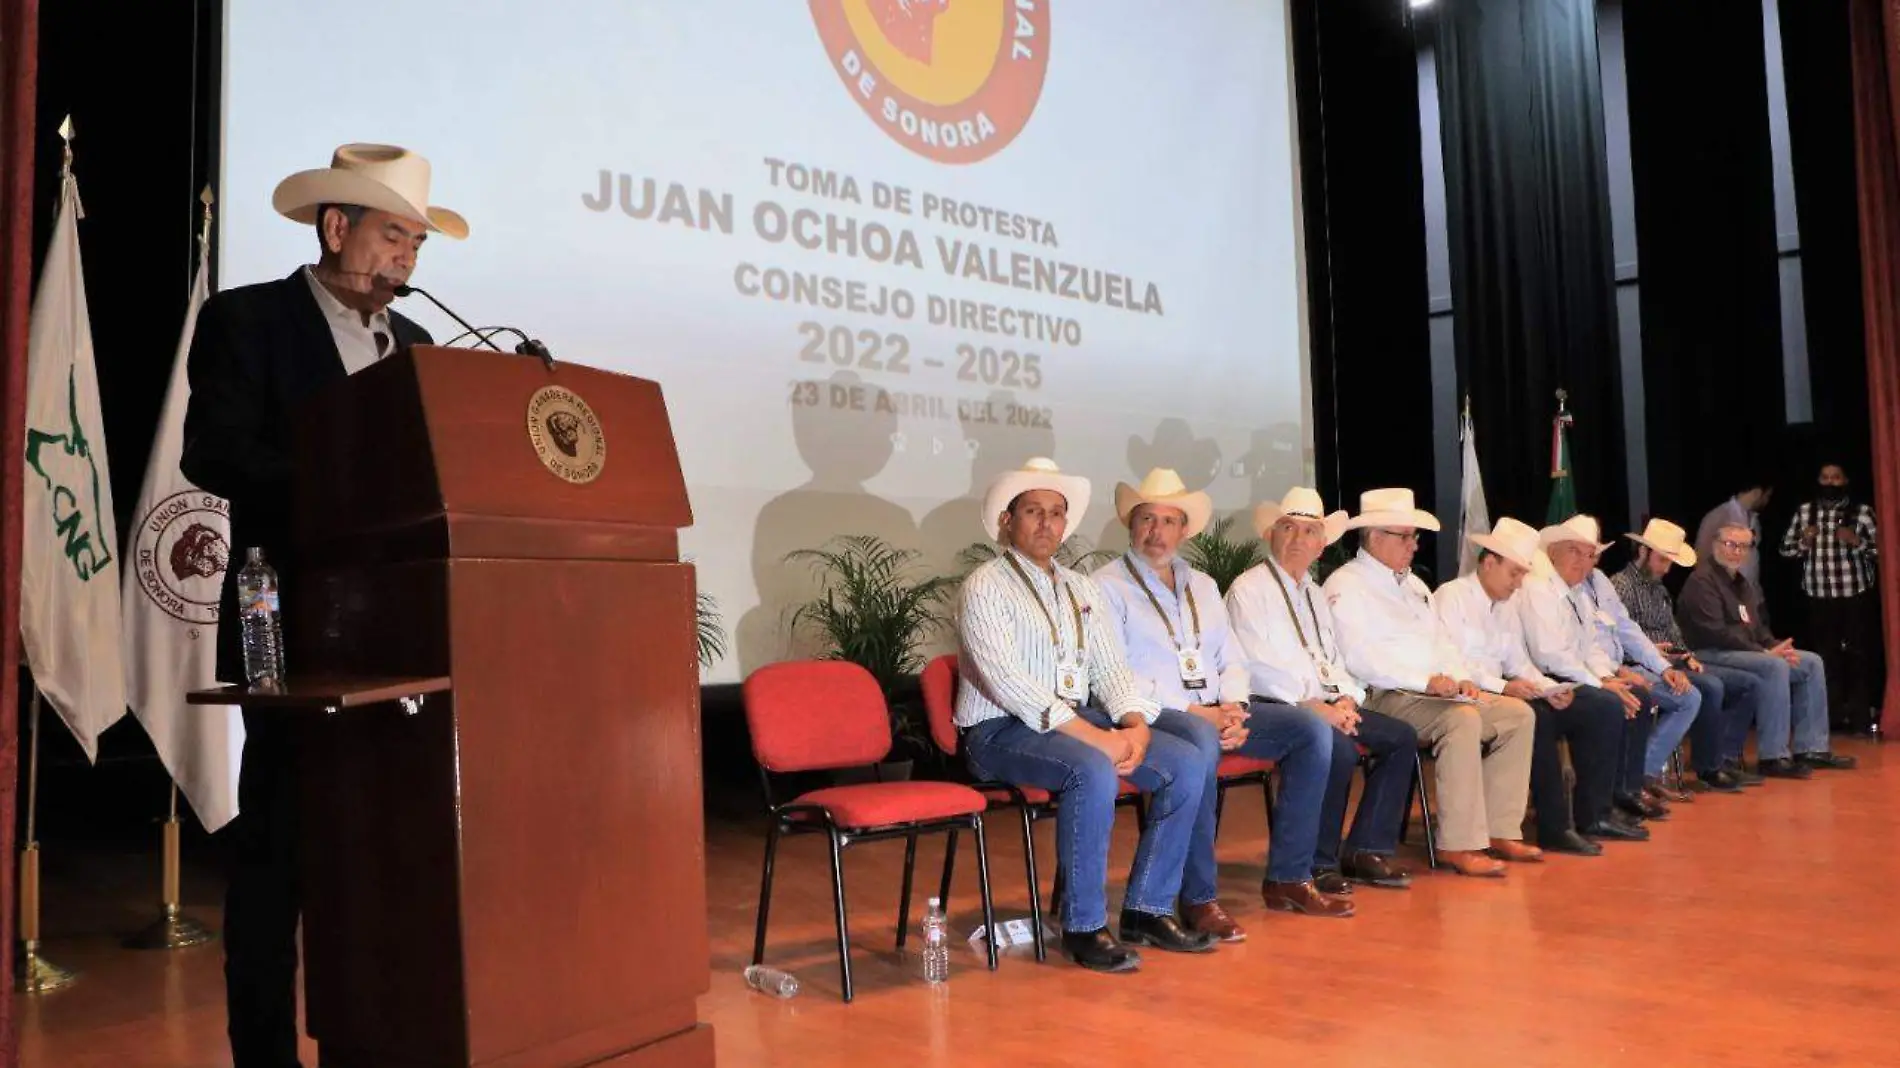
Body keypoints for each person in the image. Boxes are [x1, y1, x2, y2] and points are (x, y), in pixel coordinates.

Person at [181, 143, 463, 1068]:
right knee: (279, 847)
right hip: (276, 606)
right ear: (335, 227)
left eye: (417, 244)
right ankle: (263, 1056)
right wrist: (337, 486)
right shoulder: (248, 320)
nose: (406, 260)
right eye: (393, 236)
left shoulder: (419, 349)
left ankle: (374, 1034)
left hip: (397, 616)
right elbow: (212, 452)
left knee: (384, 840)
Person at [954, 458, 1214, 973]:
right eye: (1033, 511)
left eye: (1056, 512)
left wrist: (1134, 724)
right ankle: (1084, 926)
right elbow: (1010, 685)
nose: (1047, 523)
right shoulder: (984, 585)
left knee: (1185, 762)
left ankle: (1147, 909)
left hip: (1073, 725)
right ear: (1007, 521)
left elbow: (1112, 670)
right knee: (1091, 768)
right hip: (999, 731)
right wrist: (1096, 740)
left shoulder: (1080, 588)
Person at [1093, 469, 1351, 929]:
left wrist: (1232, 706)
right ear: (1130, 526)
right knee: (1200, 740)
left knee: (1310, 730)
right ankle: (1198, 898)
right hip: (1152, 714)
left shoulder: (1204, 585)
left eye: (1168, 521)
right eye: (1147, 519)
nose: (1157, 532)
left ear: (1184, 529)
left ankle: (1290, 876)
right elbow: (1115, 673)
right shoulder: (1106, 586)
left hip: (1217, 711)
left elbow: (1232, 659)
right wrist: (1200, 713)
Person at [1322, 489, 1538, 878]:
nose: (1413, 545)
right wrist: (1426, 681)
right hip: (1380, 696)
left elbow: (1443, 644)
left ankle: (1500, 828)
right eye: (1404, 536)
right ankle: (1459, 843)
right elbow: (1359, 658)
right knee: (1461, 720)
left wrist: (1461, 679)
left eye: (1414, 537)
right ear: (1374, 537)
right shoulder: (1346, 584)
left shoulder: (1416, 587)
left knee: (1516, 715)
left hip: (1430, 695)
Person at [1225, 487, 1419, 894]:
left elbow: (1332, 659)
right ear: (1271, 534)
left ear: (1321, 544)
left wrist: (1347, 697)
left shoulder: (1313, 594)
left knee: (1400, 737)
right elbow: (1257, 666)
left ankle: (1366, 848)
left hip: (1327, 703)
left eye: (1310, 531)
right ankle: (1317, 862)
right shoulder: (1249, 590)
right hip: (1276, 706)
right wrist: (1317, 707)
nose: (1299, 539)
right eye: (1288, 528)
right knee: (1338, 748)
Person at [1435, 518, 1634, 854]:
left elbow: (1519, 662)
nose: (1518, 583)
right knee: (1534, 719)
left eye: (1523, 574)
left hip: (1503, 692)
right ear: (1488, 562)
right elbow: (1451, 663)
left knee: (1598, 706)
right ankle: (1553, 826)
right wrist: (1504, 687)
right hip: (1466, 694)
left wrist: (1548, 688)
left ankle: (1594, 814)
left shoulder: (1507, 605)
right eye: (1514, 573)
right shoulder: (1451, 598)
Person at [1678, 524, 1858, 777]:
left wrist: (1775, 646)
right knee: (1773, 666)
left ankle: (1812, 747)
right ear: (1716, 544)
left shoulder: (1743, 584)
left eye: (1743, 546)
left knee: (1810, 662)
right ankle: (1774, 755)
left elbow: (1758, 629)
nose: (1736, 552)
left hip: (1744, 653)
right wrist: (1763, 654)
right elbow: (1714, 632)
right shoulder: (1702, 581)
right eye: (1731, 544)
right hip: (1708, 653)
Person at [1611, 518, 1760, 791]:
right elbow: (1620, 636)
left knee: (1745, 683)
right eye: (1662, 560)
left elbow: (1674, 632)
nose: (1666, 568)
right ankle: (1702, 768)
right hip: (1638, 665)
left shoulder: (1660, 589)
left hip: (1671, 663)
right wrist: (1651, 654)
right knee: (1710, 687)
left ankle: (1719, 760)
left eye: (1670, 562)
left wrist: (1687, 655)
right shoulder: (1621, 586)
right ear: (1643, 552)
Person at [1778, 463, 1881, 733]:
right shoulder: (1805, 512)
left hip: (1854, 595)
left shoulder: (1862, 512)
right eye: (1825, 477)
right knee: (1825, 659)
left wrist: (1857, 542)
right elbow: (1785, 551)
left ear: (1845, 480)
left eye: (1835, 478)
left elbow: (1884, 551)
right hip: (1818, 597)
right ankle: (1832, 719)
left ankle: (1860, 719)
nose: (1830, 482)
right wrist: (1804, 541)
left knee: (1858, 657)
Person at [1695, 477, 1773, 588]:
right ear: (1757, 493)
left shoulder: (1755, 521)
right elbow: (1701, 557)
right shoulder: (1718, 516)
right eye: (1767, 496)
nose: (1767, 501)